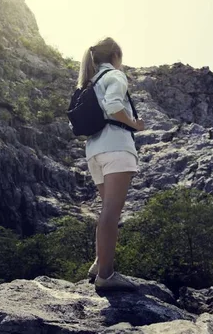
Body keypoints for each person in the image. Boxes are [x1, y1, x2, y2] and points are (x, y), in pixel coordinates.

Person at [77, 37, 145, 291]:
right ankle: (106, 275)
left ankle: (99, 263)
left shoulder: (90, 81)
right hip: (116, 147)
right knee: (111, 213)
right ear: (116, 56)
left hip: (94, 150)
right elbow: (114, 105)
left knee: (106, 211)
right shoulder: (114, 76)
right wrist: (135, 124)